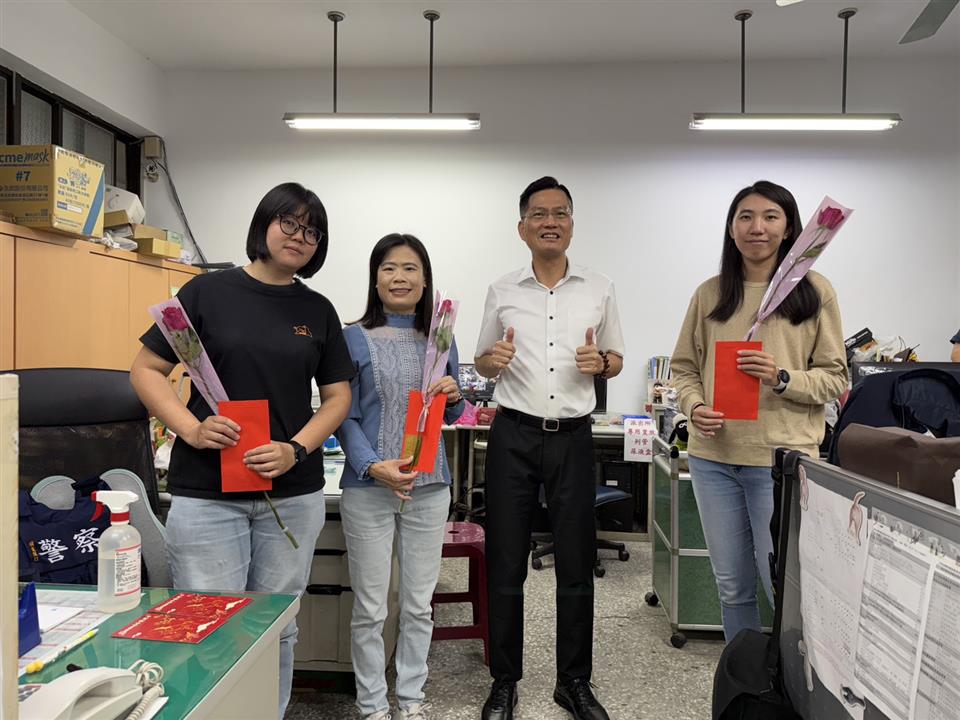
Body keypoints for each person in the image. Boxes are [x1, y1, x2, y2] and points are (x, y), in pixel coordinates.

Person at [130, 182, 354, 718]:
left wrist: (296, 449)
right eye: (289, 223)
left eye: (312, 231)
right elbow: (147, 370)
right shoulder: (206, 293)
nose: (299, 237)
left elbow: (338, 397)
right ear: (264, 224)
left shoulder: (317, 309)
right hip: (208, 493)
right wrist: (190, 428)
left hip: (291, 495)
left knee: (276, 627)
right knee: (206, 625)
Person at [671, 180, 847, 643]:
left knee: (783, 589)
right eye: (745, 217)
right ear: (731, 229)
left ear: (789, 229)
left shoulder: (814, 292)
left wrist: (782, 377)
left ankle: (790, 682)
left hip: (780, 463)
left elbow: (835, 379)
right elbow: (684, 369)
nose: (757, 227)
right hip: (713, 460)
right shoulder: (710, 294)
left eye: (771, 217)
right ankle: (745, 678)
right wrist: (694, 406)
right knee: (732, 587)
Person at [474, 176, 624, 720]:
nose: (550, 222)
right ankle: (504, 681)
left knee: (577, 561)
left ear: (572, 225)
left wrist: (600, 363)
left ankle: (573, 682)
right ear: (523, 228)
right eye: (539, 213)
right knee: (506, 560)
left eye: (560, 212)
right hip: (512, 435)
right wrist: (492, 362)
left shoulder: (599, 287)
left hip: (573, 438)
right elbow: (482, 361)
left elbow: (616, 358)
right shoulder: (502, 290)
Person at [336, 234, 464, 720]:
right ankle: (371, 703)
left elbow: (454, 414)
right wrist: (373, 465)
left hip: (429, 487)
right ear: (375, 279)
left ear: (425, 280)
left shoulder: (440, 339)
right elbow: (343, 414)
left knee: (418, 605)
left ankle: (411, 698)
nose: (399, 277)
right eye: (389, 268)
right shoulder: (352, 337)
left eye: (410, 268)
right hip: (369, 487)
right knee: (371, 608)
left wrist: (455, 396)